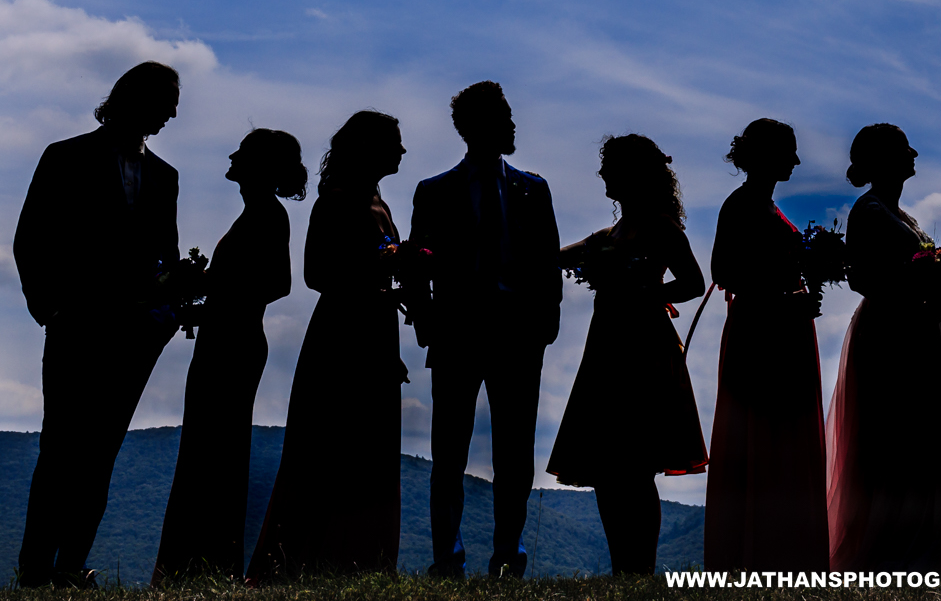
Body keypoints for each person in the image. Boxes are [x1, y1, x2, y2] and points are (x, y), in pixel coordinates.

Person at [14, 61, 184, 589]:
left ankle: (70, 566)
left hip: (135, 337)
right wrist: (52, 310)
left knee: (102, 452)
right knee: (60, 449)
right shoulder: (64, 157)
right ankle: (36, 569)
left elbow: (167, 257)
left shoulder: (166, 176)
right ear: (133, 99)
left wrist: (164, 316)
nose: (174, 113)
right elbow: (30, 239)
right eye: (167, 100)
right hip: (77, 326)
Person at [827, 123, 941, 570]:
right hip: (892, 332)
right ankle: (889, 547)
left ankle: (930, 544)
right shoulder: (869, 211)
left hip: (921, 327)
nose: (914, 154)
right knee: (893, 435)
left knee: (925, 436)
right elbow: (861, 277)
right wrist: (920, 286)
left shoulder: (900, 214)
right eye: (903, 149)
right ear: (885, 159)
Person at [247, 111, 410, 579]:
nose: (402, 152)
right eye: (394, 143)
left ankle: (361, 557)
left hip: (377, 327)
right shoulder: (335, 201)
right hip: (342, 334)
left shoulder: (379, 202)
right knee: (329, 447)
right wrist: (382, 275)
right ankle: (308, 558)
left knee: (371, 449)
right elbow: (316, 273)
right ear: (369, 148)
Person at [410, 82, 562, 579]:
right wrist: (426, 320)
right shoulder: (433, 191)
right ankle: (447, 560)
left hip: (519, 337)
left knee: (515, 454)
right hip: (455, 334)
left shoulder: (533, 189)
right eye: (505, 117)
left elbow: (546, 265)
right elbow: (417, 264)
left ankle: (507, 558)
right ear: (476, 127)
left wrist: (545, 325)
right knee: (447, 453)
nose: (515, 125)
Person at [548, 134, 709, 575]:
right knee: (608, 463)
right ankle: (624, 568)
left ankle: (640, 568)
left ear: (631, 174)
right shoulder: (608, 234)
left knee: (635, 465)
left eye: (610, 167)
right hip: (606, 348)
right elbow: (556, 257)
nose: (601, 174)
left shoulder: (661, 228)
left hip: (644, 352)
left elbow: (694, 283)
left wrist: (646, 292)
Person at [153, 129, 306, 582]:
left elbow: (279, 283)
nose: (232, 155)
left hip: (235, 344)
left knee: (215, 451)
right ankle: (198, 562)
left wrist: (210, 288)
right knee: (209, 449)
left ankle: (203, 563)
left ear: (257, 165)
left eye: (243, 152)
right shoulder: (257, 214)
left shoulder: (267, 215)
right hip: (226, 338)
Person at [703, 119, 830, 572]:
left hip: (785, 329)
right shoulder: (740, 205)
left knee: (782, 438)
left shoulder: (764, 206)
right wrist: (784, 296)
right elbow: (725, 271)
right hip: (762, 332)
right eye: (789, 151)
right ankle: (761, 552)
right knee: (761, 435)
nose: (796, 160)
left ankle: (785, 551)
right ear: (765, 154)